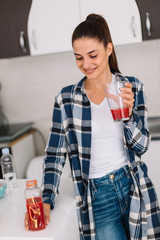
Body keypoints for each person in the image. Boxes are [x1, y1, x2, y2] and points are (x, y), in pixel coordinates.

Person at [25, 13, 160, 239]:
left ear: (108, 49)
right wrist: (46, 198)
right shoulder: (66, 99)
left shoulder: (132, 87)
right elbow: (54, 155)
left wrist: (128, 116)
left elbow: (142, 147)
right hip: (97, 197)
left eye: (92, 55)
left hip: (134, 186)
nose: (86, 64)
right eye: (78, 57)